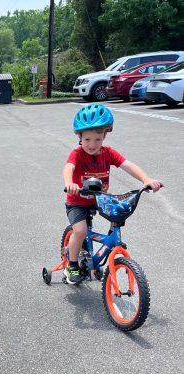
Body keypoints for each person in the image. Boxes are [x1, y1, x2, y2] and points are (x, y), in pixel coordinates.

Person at [62, 103, 163, 284]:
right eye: (87, 140)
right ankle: (72, 265)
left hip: (100, 199)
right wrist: (69, 183)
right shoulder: (77, 154)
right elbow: (68, 167)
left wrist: (146, 180)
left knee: (118, 214)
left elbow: (128, 165)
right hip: (77, 201)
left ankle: (108, 250)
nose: (92, 145)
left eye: (98, 139)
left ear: (105, 136)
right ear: (79, 136)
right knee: (81, 230)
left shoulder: (108, 153)